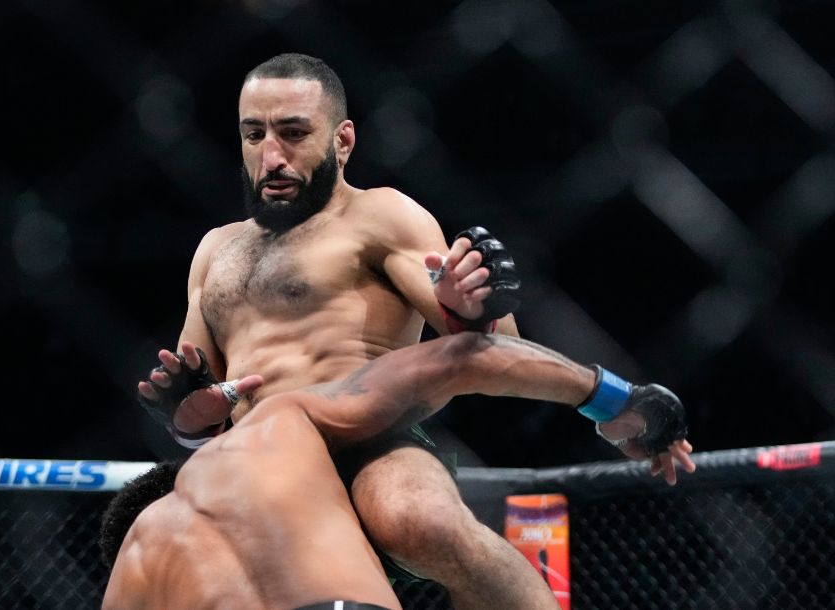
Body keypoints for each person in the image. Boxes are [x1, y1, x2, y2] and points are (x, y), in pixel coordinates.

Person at [134, 52, 602, 607]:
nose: (272, 155)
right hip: (256, 459)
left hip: (371, 440)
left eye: (293, 132)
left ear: (343, 141)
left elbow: (499, 345)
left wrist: (471, 310)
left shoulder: (380, 215)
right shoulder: (215, 250)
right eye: (254, 134)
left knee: (423, 522)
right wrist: (187, 416)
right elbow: (197, 396)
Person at [109, 332, 696, 610]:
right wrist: (614, 398)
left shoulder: (139, 559)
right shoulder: (275, 424)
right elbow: (461, 356)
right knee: (432, 527)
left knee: (423, 520)